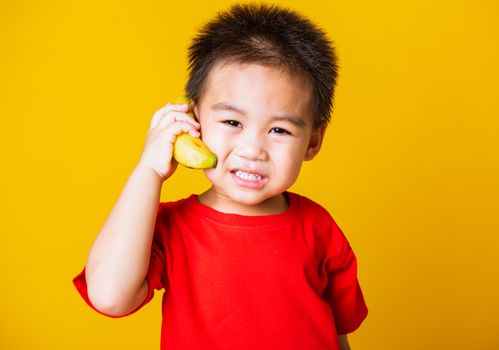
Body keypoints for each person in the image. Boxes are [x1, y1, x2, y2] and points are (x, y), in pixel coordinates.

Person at [73, 3, 368, 349]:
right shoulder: (171, 228)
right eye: (232, 123)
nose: (252, 149)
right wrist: (148, 171)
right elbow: (109, 296)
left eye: (279, 130)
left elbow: (337, 333)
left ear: (313, 141)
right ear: (194, 122)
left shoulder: (319, 228)